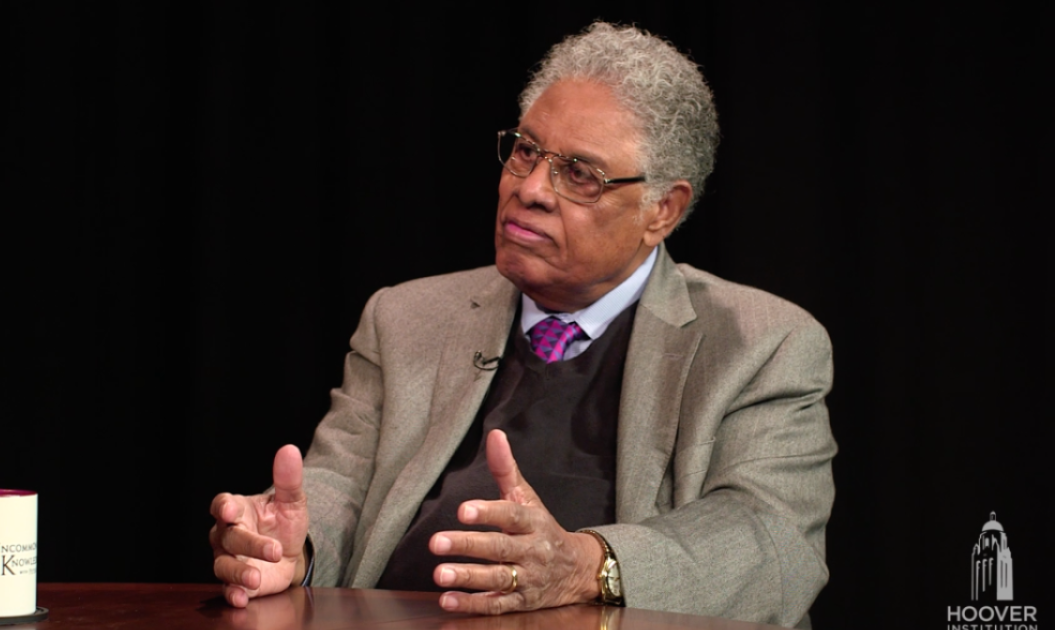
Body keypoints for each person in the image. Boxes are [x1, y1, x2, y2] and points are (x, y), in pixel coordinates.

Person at [210, 22, 836, 628]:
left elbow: (770, 541)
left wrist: (588, 566)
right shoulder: (405, 319)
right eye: (528, 151)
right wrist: (291, 547)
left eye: (580, 174)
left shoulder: (761, 342)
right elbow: (337, 485)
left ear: (662, 211)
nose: (531, 188)